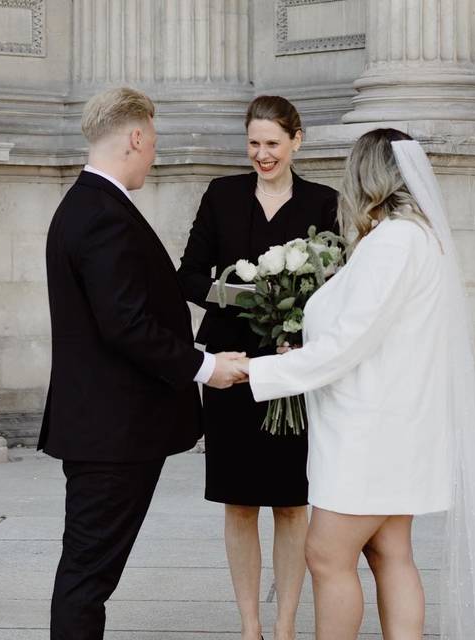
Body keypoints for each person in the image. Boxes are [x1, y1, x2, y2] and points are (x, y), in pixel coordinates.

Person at [240, 129, 475, 640]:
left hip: (371, 432)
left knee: (326, 555)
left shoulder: (395, 240)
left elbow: (353, 340)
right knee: (389, 552)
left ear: (366, 177)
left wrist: (260, 370)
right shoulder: (415, 237)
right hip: (396, 425)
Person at [38, 86, 248, 640]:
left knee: (88, 571)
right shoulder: (101, 214)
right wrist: (204, 370)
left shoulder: (87, 206)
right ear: (135, 137)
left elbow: (125, 317)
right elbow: (125, 325)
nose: (154, 154)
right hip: (112, 435)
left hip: (104, 428)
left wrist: (200, 353)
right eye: (152, 141)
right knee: (88, 576)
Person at [177, 95, 339, 640]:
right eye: (253, 144)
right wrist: (236, 295)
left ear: (297, 140)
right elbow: (189, 276)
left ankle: (287, 624)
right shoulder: (221, 195)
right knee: (239, 500)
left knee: (293, 503)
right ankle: (250, 626)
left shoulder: (324, 202)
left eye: (272, 143)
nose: (262, 155)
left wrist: (303, 335)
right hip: (230, 365)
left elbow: (340, 288)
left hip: (294, 367)